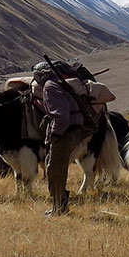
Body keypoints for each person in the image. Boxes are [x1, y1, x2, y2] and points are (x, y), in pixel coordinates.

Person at [39, 62, 89, 217]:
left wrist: (54, 134)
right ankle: (59, 205)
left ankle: (59, 207)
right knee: (57, 168)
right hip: (75, 130)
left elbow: (61, 116)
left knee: (55, 170)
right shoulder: (61, 83)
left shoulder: (49, 86)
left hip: (65, 133)